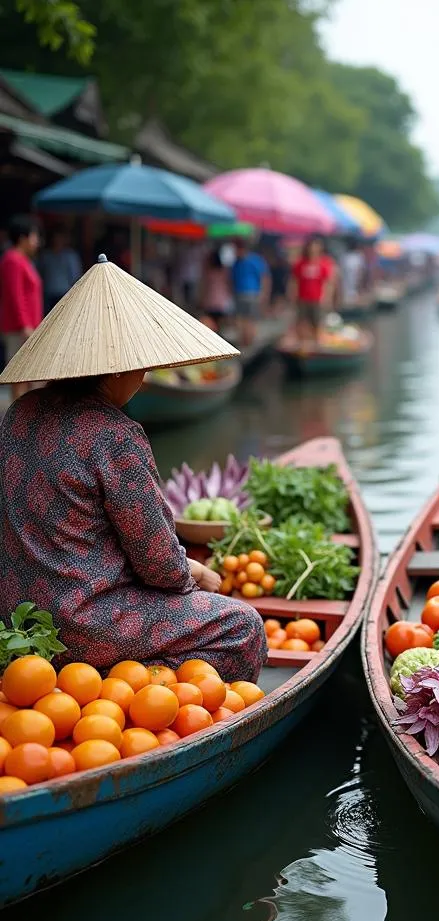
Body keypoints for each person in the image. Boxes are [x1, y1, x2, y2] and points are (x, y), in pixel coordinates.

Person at [0, 255, 266, 679]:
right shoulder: (115, 435)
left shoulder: (18, 413)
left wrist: (183, 568)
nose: (143, 377)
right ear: (118, 369)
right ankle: (123, 678)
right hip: (82, 623)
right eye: (140, 367)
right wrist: (191, 574)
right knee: (242, 627)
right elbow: (158, 564)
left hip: (18, 617)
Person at [0, 215, 43, 401]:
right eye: (34, 237)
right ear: (23, 238)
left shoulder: (22, 260)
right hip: (20, 328)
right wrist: (24, 325)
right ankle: (17, 424)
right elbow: (15, 296)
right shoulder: (13, 260)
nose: (37, 242)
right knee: (19, 377)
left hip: (28, 328)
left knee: (27, 376)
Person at [289, 237, 335, 342]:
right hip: (302, 298)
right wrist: (292, 295)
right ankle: (301, 343)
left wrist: (327, 297)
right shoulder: (300, 263)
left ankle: (316, 342)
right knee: (301, 322)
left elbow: (328, 282)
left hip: (317, 298)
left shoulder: (324, 263)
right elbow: (294, 280)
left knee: (317, 323)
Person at [231, 238, 269, 348]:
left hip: (252, 294)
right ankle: (243, 343)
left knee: (250, 320)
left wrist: (264, 293)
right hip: (239, 294)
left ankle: (250, 343)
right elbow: (232, 279)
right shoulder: (236, 262)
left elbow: (264, 277)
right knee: (240, 320)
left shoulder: (255, 260)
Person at [37, 227, 82, 313]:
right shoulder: (46, 256)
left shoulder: (70, 256)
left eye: (61, 237)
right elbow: (40, 275)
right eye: (56, 237)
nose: (58, 240)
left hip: (65, 295)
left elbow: (76, 277)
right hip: (48, 295)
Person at [200, 247, 233, 330]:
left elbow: (204, 287)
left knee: (210, 326)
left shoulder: (209, 272)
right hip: (222, 303)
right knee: (220, 327)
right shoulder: (225, 271)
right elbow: (229, 285)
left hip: (210, 302)